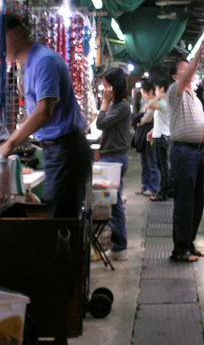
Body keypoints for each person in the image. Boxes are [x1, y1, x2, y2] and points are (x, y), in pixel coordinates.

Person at [0, 13, 92, 218]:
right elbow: (35, 114)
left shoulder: (43, 61)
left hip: (66, 151)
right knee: (59, 216)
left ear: (14, 35)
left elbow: (43, 112)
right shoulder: (31, 65)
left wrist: (10, 144)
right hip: (58, 150)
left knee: (62, 223)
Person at [167, 43, 204, 262]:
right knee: (184, 202)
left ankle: (189, 244)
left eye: (190, 68)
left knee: (197, 202)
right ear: (175, 77)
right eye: (183, 70)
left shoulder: (195, 96)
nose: (189, 72)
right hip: (183, 153)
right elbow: (187, 77)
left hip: (197, 153)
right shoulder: (176, 91)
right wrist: (200, 52)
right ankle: (180, 249)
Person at [95, 67, 131, 261]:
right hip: (112, 156)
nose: (104, 89)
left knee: (114, 203)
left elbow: (101, 123)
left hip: (115, 158)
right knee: (113, 202)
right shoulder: (117, 105)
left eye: (106, 85)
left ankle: (120, 246)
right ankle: (119, 245)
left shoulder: (122, 106)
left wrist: (103, 103)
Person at [146, 77, 171, 201]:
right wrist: (152, 131)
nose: (155, 91)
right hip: (158, 135)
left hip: (162, 137)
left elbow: (150, 104)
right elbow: (161, 120)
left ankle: (163, 192)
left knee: (163, 166)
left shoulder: (164, 102)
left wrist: (160, 95)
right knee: (161, 165)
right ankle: (163, 190)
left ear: (161, 89)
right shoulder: (162, 102)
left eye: (156, 89)